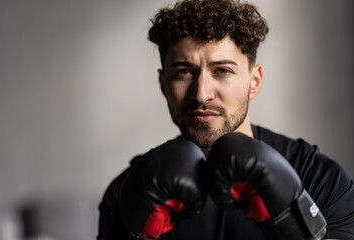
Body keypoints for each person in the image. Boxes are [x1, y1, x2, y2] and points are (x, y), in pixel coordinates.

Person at [97, 0, 354, 239]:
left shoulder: (318, 178)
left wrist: (295, 224)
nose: (201, 94)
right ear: (163, 84)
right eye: (184, 72)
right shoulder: (130, 189)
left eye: (222, 71)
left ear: (254, 82)